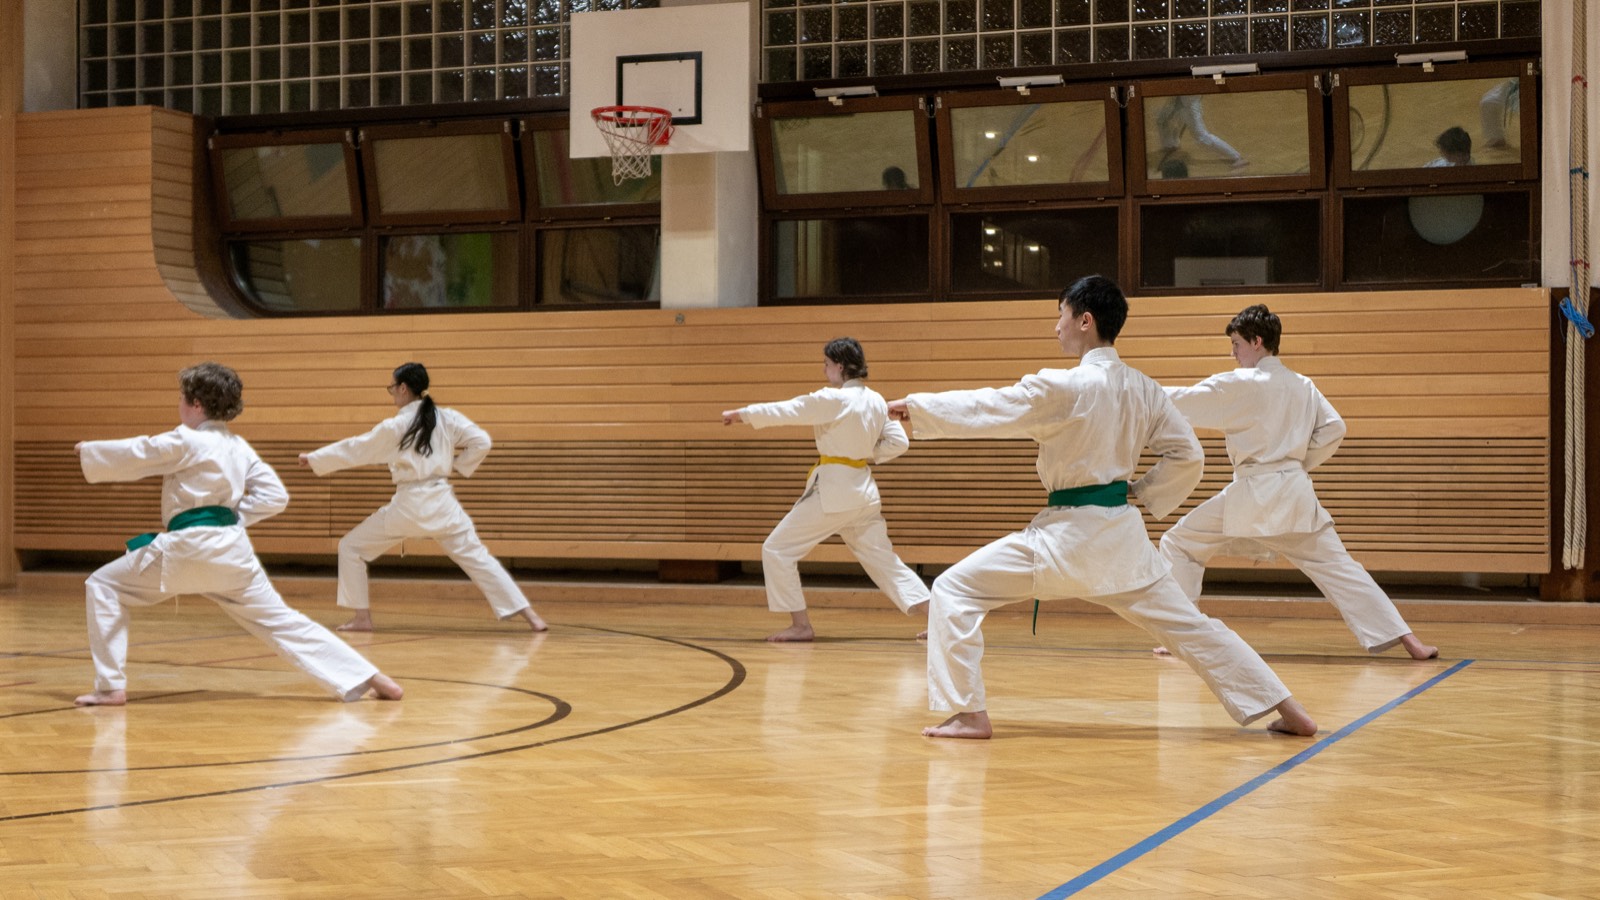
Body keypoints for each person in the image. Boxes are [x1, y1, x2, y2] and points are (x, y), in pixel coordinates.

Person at [890, 276, 1316, 740]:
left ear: (1084, 321)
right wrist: (1143, 491)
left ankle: (969, 714)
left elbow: (992, 405)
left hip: (1061, 542)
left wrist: (918, 409)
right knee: (1193, 629)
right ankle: (1290, 710)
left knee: (953, 590)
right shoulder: (1145, 389)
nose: (1057, 328)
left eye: (1061, 315)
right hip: (1122, 544)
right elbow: (1189, 456)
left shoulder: (1063, 386)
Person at [74, 362, 403, 707]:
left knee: (104, 584)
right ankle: (370, 677)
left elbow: (142, 451)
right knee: (283, 621)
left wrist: (91, 452)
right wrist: (229, 520)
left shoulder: (187, 438)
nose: (180, 406)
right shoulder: (237, 446)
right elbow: (276, 496)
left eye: (182, 399)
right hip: (232, 553)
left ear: (196, 404)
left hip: (187, 549)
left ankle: (110, 686)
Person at [1158, 304, 1439, 661]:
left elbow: (1180, 400)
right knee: (1340, 568)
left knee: (1179, 542)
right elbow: (1335, 428)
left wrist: (1130, 392)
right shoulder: (1303, 385)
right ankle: (1409, 640)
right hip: (1293, 493)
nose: (1233, 353)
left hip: (1253, 493)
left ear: (1257, 341)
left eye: (1236, 344)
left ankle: (1182, 635)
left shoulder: (1239, 384)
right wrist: (1297, 463)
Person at [299, 362, 547, 634]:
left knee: (351, 548)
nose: (392, 393)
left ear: (403, 388)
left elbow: (358, 448)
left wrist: (314, 459)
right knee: (479, 559)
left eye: (392, 387)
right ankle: (531, 616)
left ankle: (362, 618)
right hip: (442, 503)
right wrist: (459, 466)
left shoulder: (397, 425)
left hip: (408, 506)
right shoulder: (447, 417)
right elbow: (482, 441)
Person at [722, 337, 931, 642]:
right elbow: (900, 442)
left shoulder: (834, 400)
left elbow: (790, 410)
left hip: (836, 493)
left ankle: (801, 625)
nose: (824, 371)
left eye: (826, 364)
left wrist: (743, 414)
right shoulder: (875, 400)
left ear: (840, 366)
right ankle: (941, 619)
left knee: (777, 549)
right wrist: (863, 452)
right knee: (884, 561)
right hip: (863, 492)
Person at [1156, 95, 1247, 171]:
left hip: (1188, 103)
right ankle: (1171, 144)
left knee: (1201, 137)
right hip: (1182, 101)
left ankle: (1236, 157)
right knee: (1162, 119)